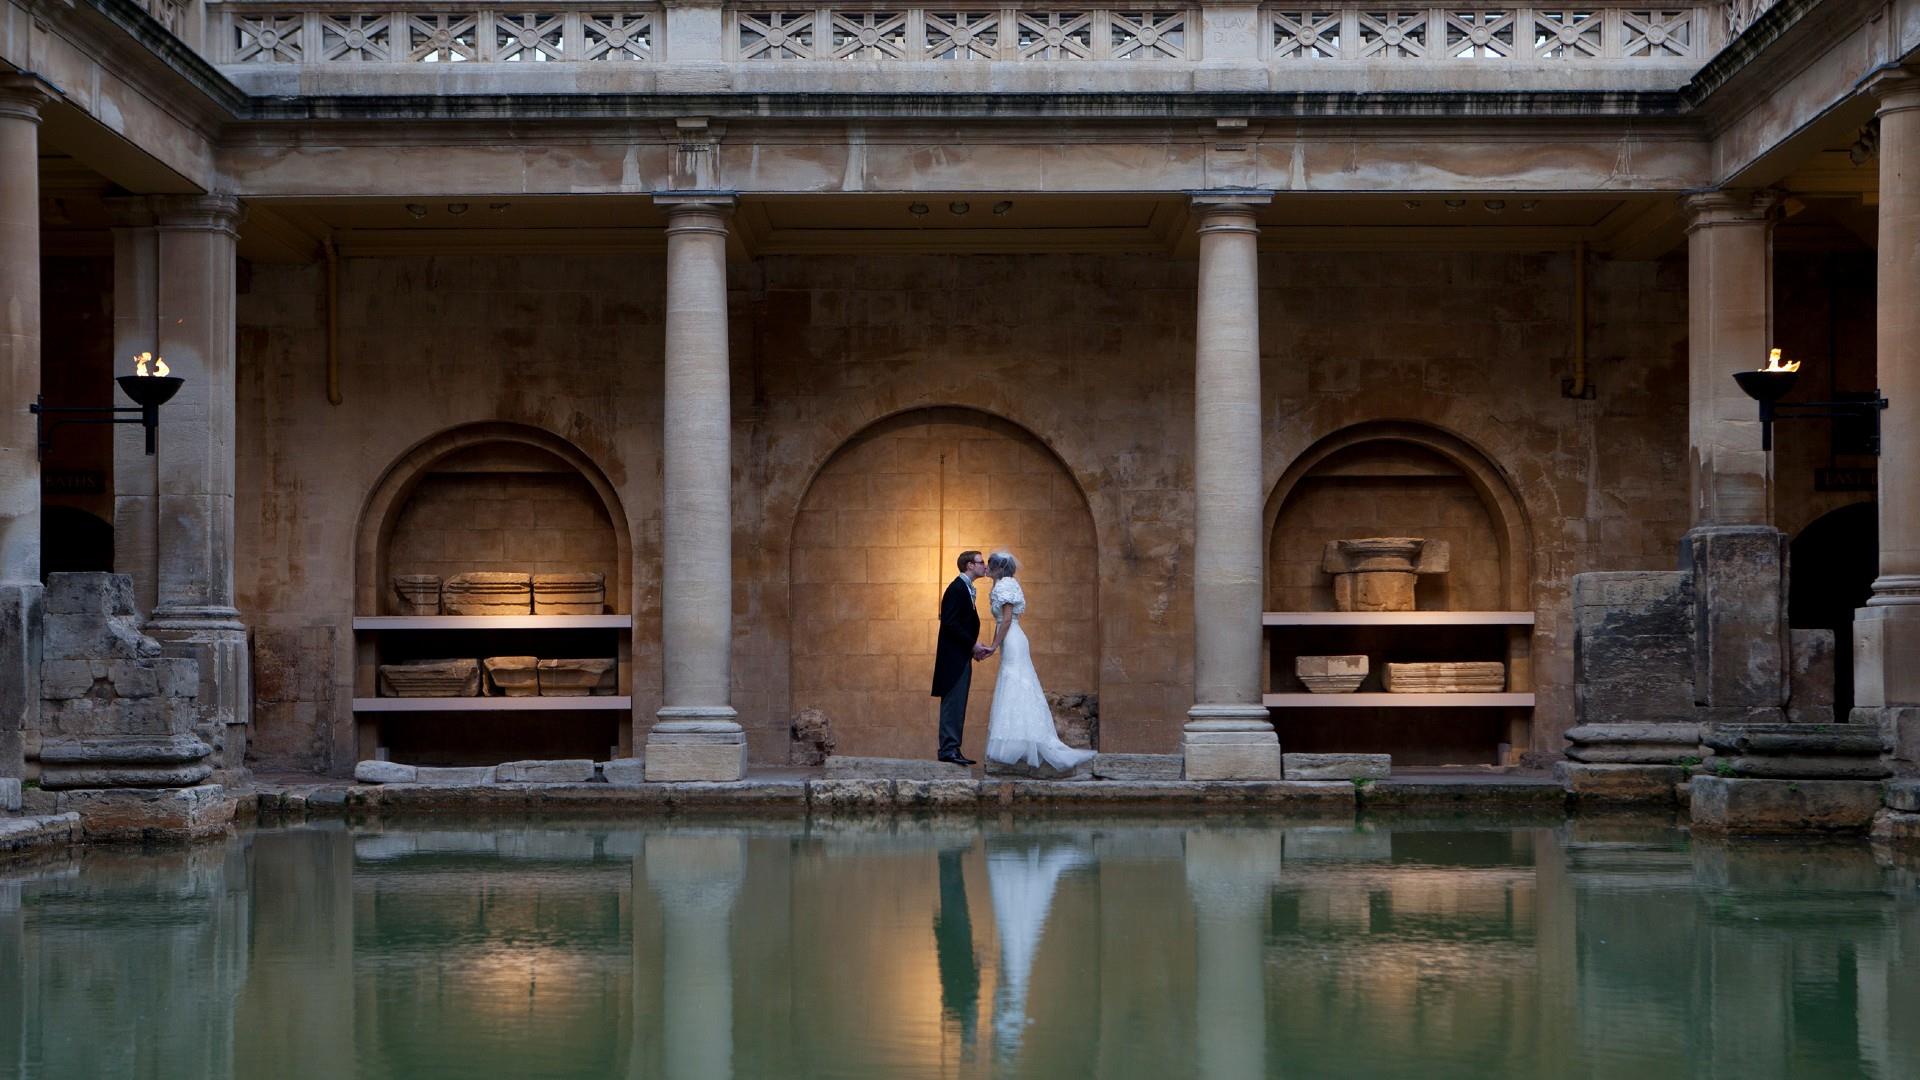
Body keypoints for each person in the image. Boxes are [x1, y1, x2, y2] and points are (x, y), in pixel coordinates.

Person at [979, 551, 1098, 772]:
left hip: (1011, 638)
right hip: (1012, 638)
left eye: (990, 564)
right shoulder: (1006, 583)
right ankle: (1018, 740)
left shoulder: (1005, 585)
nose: (987, 567)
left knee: (1015, 682)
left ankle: (1019, 742)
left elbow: (1006, 619)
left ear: (998, 567)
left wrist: (994, 645)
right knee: (1015, 683)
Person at [931, 550, 990, 765]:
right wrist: (972, 645)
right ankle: (948, 749)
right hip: (953, 659)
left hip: (961, 655)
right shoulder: (956, 588)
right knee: (953, 703)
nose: (985, 565)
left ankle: (953, 748)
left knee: (959, 703)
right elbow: (950, 622)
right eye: (980, 562)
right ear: (969, 566)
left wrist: (972, 647)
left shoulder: (965, 588)